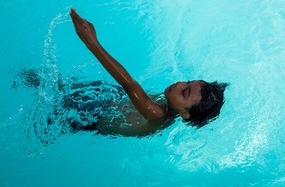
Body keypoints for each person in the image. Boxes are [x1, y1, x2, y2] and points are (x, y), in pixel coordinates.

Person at [69, 8, 227, 137]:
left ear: (185, 114)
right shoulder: (167, 103)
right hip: (108, 98)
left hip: (88, 117)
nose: (179, 84)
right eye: (187, 82)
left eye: (184, 92)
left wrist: (92, 42)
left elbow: (128, 84)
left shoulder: (157, 115)